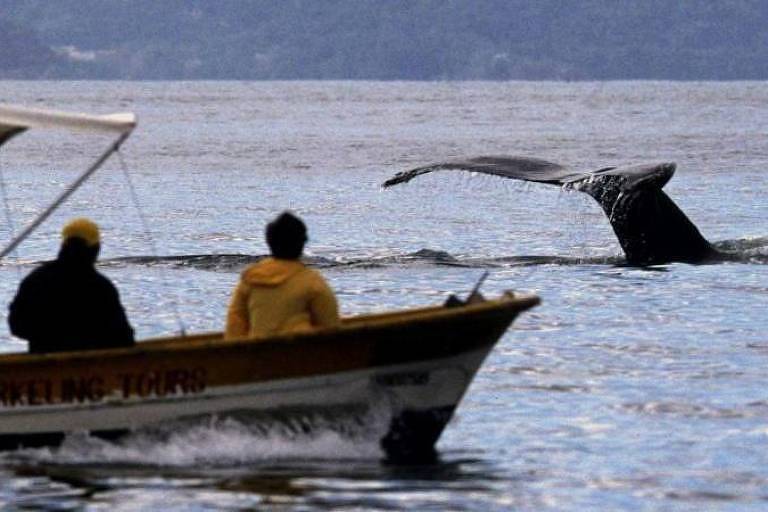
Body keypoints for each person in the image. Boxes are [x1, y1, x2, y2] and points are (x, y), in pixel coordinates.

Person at [8, 218, 135, 353]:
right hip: (90, 368)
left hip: (43, 366)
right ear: (96, 249)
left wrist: (47, 335)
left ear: (63, 244)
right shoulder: (101, 287)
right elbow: (124, 337)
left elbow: (17, 325)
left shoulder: (35, 280)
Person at [225, 211, 339, 339]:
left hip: (259, 354)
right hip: (298, 354)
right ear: (302, 243)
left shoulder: (250, 279)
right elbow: (331, 328)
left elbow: (234, 328)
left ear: (269, 242)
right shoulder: (311, 281)